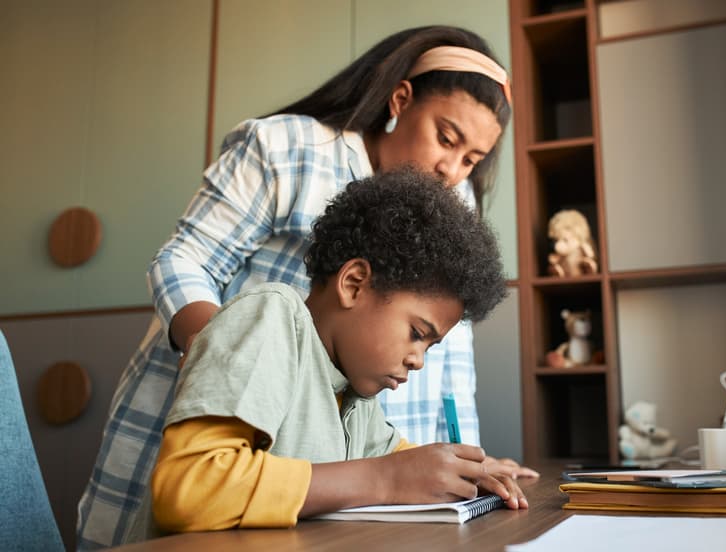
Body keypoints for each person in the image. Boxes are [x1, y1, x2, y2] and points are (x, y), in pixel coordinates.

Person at [77, 25, 536, 550]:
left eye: (471, 160)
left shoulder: (360, 393)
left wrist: (458, 459)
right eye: (446, 138)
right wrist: (230, 357)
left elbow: (450, 363)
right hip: (237, 432)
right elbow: (185, 259)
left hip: (342, 484)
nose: (451, 170)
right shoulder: (290, 148)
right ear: (401, 100)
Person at [122, 169, 526, 543]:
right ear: (353, 283)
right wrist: (384, 480)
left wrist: (470, 470)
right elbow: (187, 488)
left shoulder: (354, 392)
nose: (418, 359)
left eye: (429, 346)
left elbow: (401, 459)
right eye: (417, 334)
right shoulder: (270, 317)